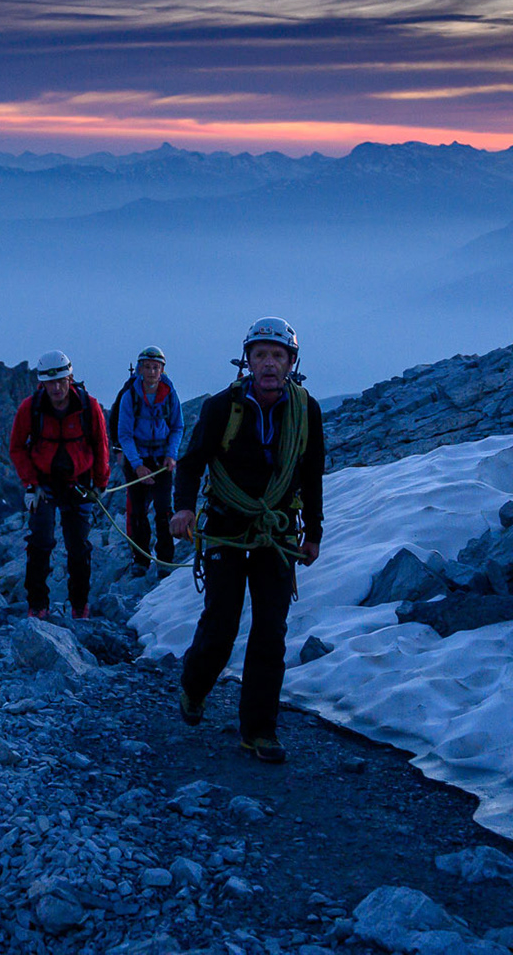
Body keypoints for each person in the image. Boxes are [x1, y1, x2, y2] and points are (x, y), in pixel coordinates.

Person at [169, 317, 325, 764]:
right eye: (261, 356)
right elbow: (192, 460)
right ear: (248, 361)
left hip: (276, 531)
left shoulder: (306, 410)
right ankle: (194, 686)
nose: (270, 364)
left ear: (292, 362)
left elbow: (311, 474)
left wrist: (313, 533)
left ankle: (259, 732)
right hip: (226, 527)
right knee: (221, 625)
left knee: (270, 632)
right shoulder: (223, 407)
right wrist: (182, 508)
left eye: (278, 356)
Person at [8, 350, 110, 620]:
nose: (56, 388)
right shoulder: (30, 409)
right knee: (41, 541)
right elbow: (17, 448)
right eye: (49, 383)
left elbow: (101, 446)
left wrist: (100, 483)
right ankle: (38, 606)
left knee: (78, 546)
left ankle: (80, 606)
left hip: (79, 484)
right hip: (44, 483)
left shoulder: (90, 407)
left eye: (61, 381)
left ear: (70, 378)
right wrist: (31, 483)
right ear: (42, 383)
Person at [113, 345, 182, 576]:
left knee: (164, 510)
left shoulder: (170, 395)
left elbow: (177, 427)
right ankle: (140, 560)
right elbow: (125, 434)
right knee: (138, 513)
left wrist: (171, 454)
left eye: (156, 367)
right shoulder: (130, 397)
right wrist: (137, 465)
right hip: (139, 459)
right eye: (147, 367)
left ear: (162, 370)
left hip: (162, 460)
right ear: (140, 369)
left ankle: (165, 560)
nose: (152, 372)